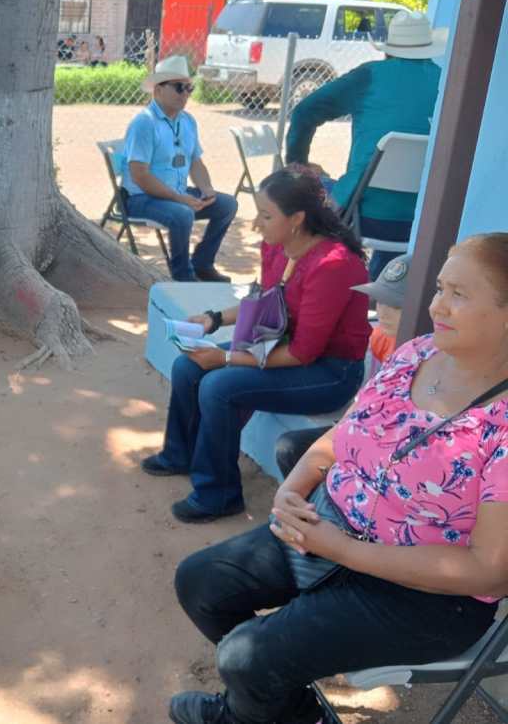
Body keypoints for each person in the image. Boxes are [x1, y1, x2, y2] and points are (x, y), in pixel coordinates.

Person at [168, 233, 508, 724]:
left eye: (459, 294)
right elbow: (343, 436)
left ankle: (245, 706)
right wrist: (292, 487)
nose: (438, 305)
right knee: (200, 583)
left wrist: (343, 551)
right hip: (333, 525)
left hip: (423, 595)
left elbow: (490, 569)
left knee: (244, 657)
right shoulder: (416, 353)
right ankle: (286, 709)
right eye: (439, 288)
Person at [142, 167, 370, 523]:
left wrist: (227, 357)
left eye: (266, 215)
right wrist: (214, 319)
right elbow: (266, 302)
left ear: (297, 219)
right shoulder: (278, 246)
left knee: (219, 386)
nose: (257, 224)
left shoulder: (333, 266)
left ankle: (218, 494)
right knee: (188, 365)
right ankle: (179, 454)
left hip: (329, 372)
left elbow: (303, 353)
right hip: (280, 344)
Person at [286, 11, 444, 280]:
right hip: (424, 222)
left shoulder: (370, 76)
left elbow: (303, 113)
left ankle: (294, 286)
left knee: (306, 189)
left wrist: (297, 166)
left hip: (363, 216)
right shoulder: (447, 81)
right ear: (428, 50)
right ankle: (380, 290)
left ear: (388, 51)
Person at [275, 252, 412, 477]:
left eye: (396, 306)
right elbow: (369, 395)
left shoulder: (428, 352)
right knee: (290, 448)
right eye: (381, 300)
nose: (383, 312)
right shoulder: (380, 337)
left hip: (392, 443)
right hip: (366, 425)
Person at [122, 55, 237, 282]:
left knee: (227, 205)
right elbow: (140, 176)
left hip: (176, 194)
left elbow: (196, 161)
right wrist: (179, 198)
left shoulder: (188, 121)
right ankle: (183, 277)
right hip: (141, 198)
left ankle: (203, 263)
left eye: (189, 88)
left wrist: (206, 189)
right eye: (178, 87)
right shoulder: (144, 123)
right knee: (183, 214)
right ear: (158, 90)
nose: (185, 94)